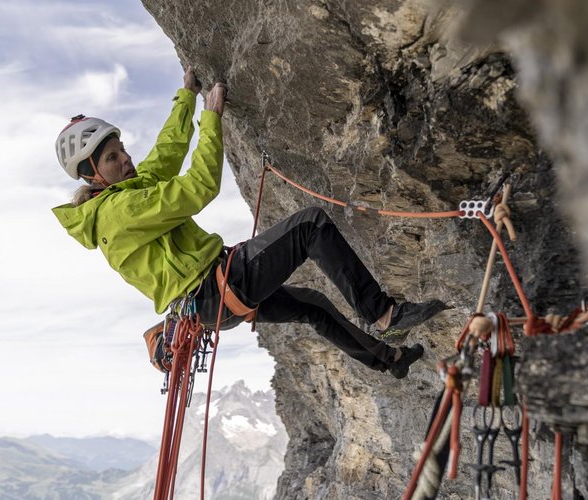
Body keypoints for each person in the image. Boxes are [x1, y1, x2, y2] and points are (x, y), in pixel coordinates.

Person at [52, 67, 449, 379]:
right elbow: (200, 187)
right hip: (214, 287)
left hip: (208, 304)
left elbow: (166, 156)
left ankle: (389, 359)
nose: (125, 160)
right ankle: (385, 316)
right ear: (92, 175)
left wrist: (186, 96)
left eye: (121, 150)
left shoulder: (123, 193)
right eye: (111, 158)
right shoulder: (118, 213)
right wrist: (211, 119)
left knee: (313, 307)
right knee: (311, 225)